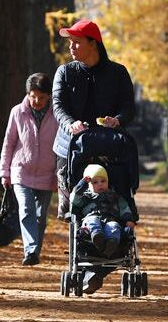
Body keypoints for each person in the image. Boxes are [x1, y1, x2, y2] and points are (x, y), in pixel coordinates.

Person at [51, 18, 136, 213]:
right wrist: (70, 124)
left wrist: (118, 120)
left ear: (93, 44)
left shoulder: (118, 73)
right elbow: (58, 106)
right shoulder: (64, 72)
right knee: (70, 208)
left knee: (116, 195)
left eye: (77, 42)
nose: (71, 47)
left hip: (109, 147)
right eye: (70, 42)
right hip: (70, 146)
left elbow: (129, 108)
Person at [0, 73, 60, 265]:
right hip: (21, 171)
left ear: (49, 96)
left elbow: (61, 148)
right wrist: (5, 172)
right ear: (27, 94)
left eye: (42, 97)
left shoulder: (57, 115)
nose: (37, 101)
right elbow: (8, 144)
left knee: (41, 216)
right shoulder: (17, 112)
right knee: (26, 209)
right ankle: (31, 251)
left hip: (46, 174)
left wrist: (58, 176)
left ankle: (35, 250)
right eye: (33, 96)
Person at [70, 164, 136, 259]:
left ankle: (111, 244)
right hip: (90, 221)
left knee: (114, 226)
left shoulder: (115, 197)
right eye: (95, 182)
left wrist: (129, 220)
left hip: (110, 220)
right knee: (93, 221)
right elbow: (74, 200)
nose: (100, 184)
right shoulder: (85, 197)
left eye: (103, 181)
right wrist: (82, 183)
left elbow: (124, 209)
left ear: (108, 182)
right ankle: (97, 236)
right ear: (89, 185)